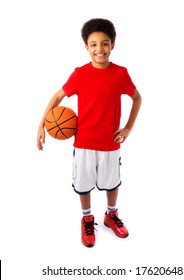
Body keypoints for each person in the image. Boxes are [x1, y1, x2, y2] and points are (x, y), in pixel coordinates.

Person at [36, 18, 142, 247]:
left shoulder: (120, 74)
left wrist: (129, 128)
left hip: (110, 142)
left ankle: (110, 215)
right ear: (86, 47)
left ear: (112, 45)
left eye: (104, 43)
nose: (99, 49)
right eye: (93, 44)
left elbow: (137, 98)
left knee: (112, 182)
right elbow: (57, 97)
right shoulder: (80, 74)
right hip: (83, 142)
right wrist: (41, 125)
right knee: (83, 185)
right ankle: (87, 218)